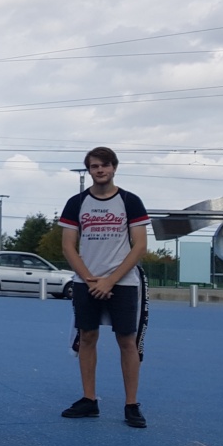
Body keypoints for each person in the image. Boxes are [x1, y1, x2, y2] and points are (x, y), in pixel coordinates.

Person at [58, 146, 150, 428]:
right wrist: (90, 279)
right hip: (87, 283)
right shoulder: (76, 203)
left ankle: (131, 404)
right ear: (89, 170)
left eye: (105, 165)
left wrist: (110, 279)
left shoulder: (130, 201)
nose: (100, 170)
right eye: (95, 166)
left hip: (122, 284)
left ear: (114, 167)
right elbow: (68, 246)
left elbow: (140, 246)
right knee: (87, 337)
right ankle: (89, 400)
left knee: (126, 341)